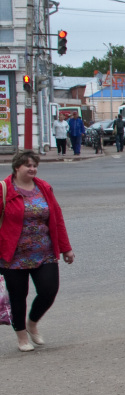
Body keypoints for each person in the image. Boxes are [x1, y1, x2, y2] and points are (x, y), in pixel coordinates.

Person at [0, 151, 75, 352]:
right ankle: (22, 336)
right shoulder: (4, 189)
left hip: (45, 251)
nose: (32, 169)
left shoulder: (43, 187)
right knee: (18, 296)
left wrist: (66, 248)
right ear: (17, 168)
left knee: (49, 290)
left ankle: (32, 323)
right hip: (14, 256)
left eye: (35, 165)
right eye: (28, 166)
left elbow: (57, 218)